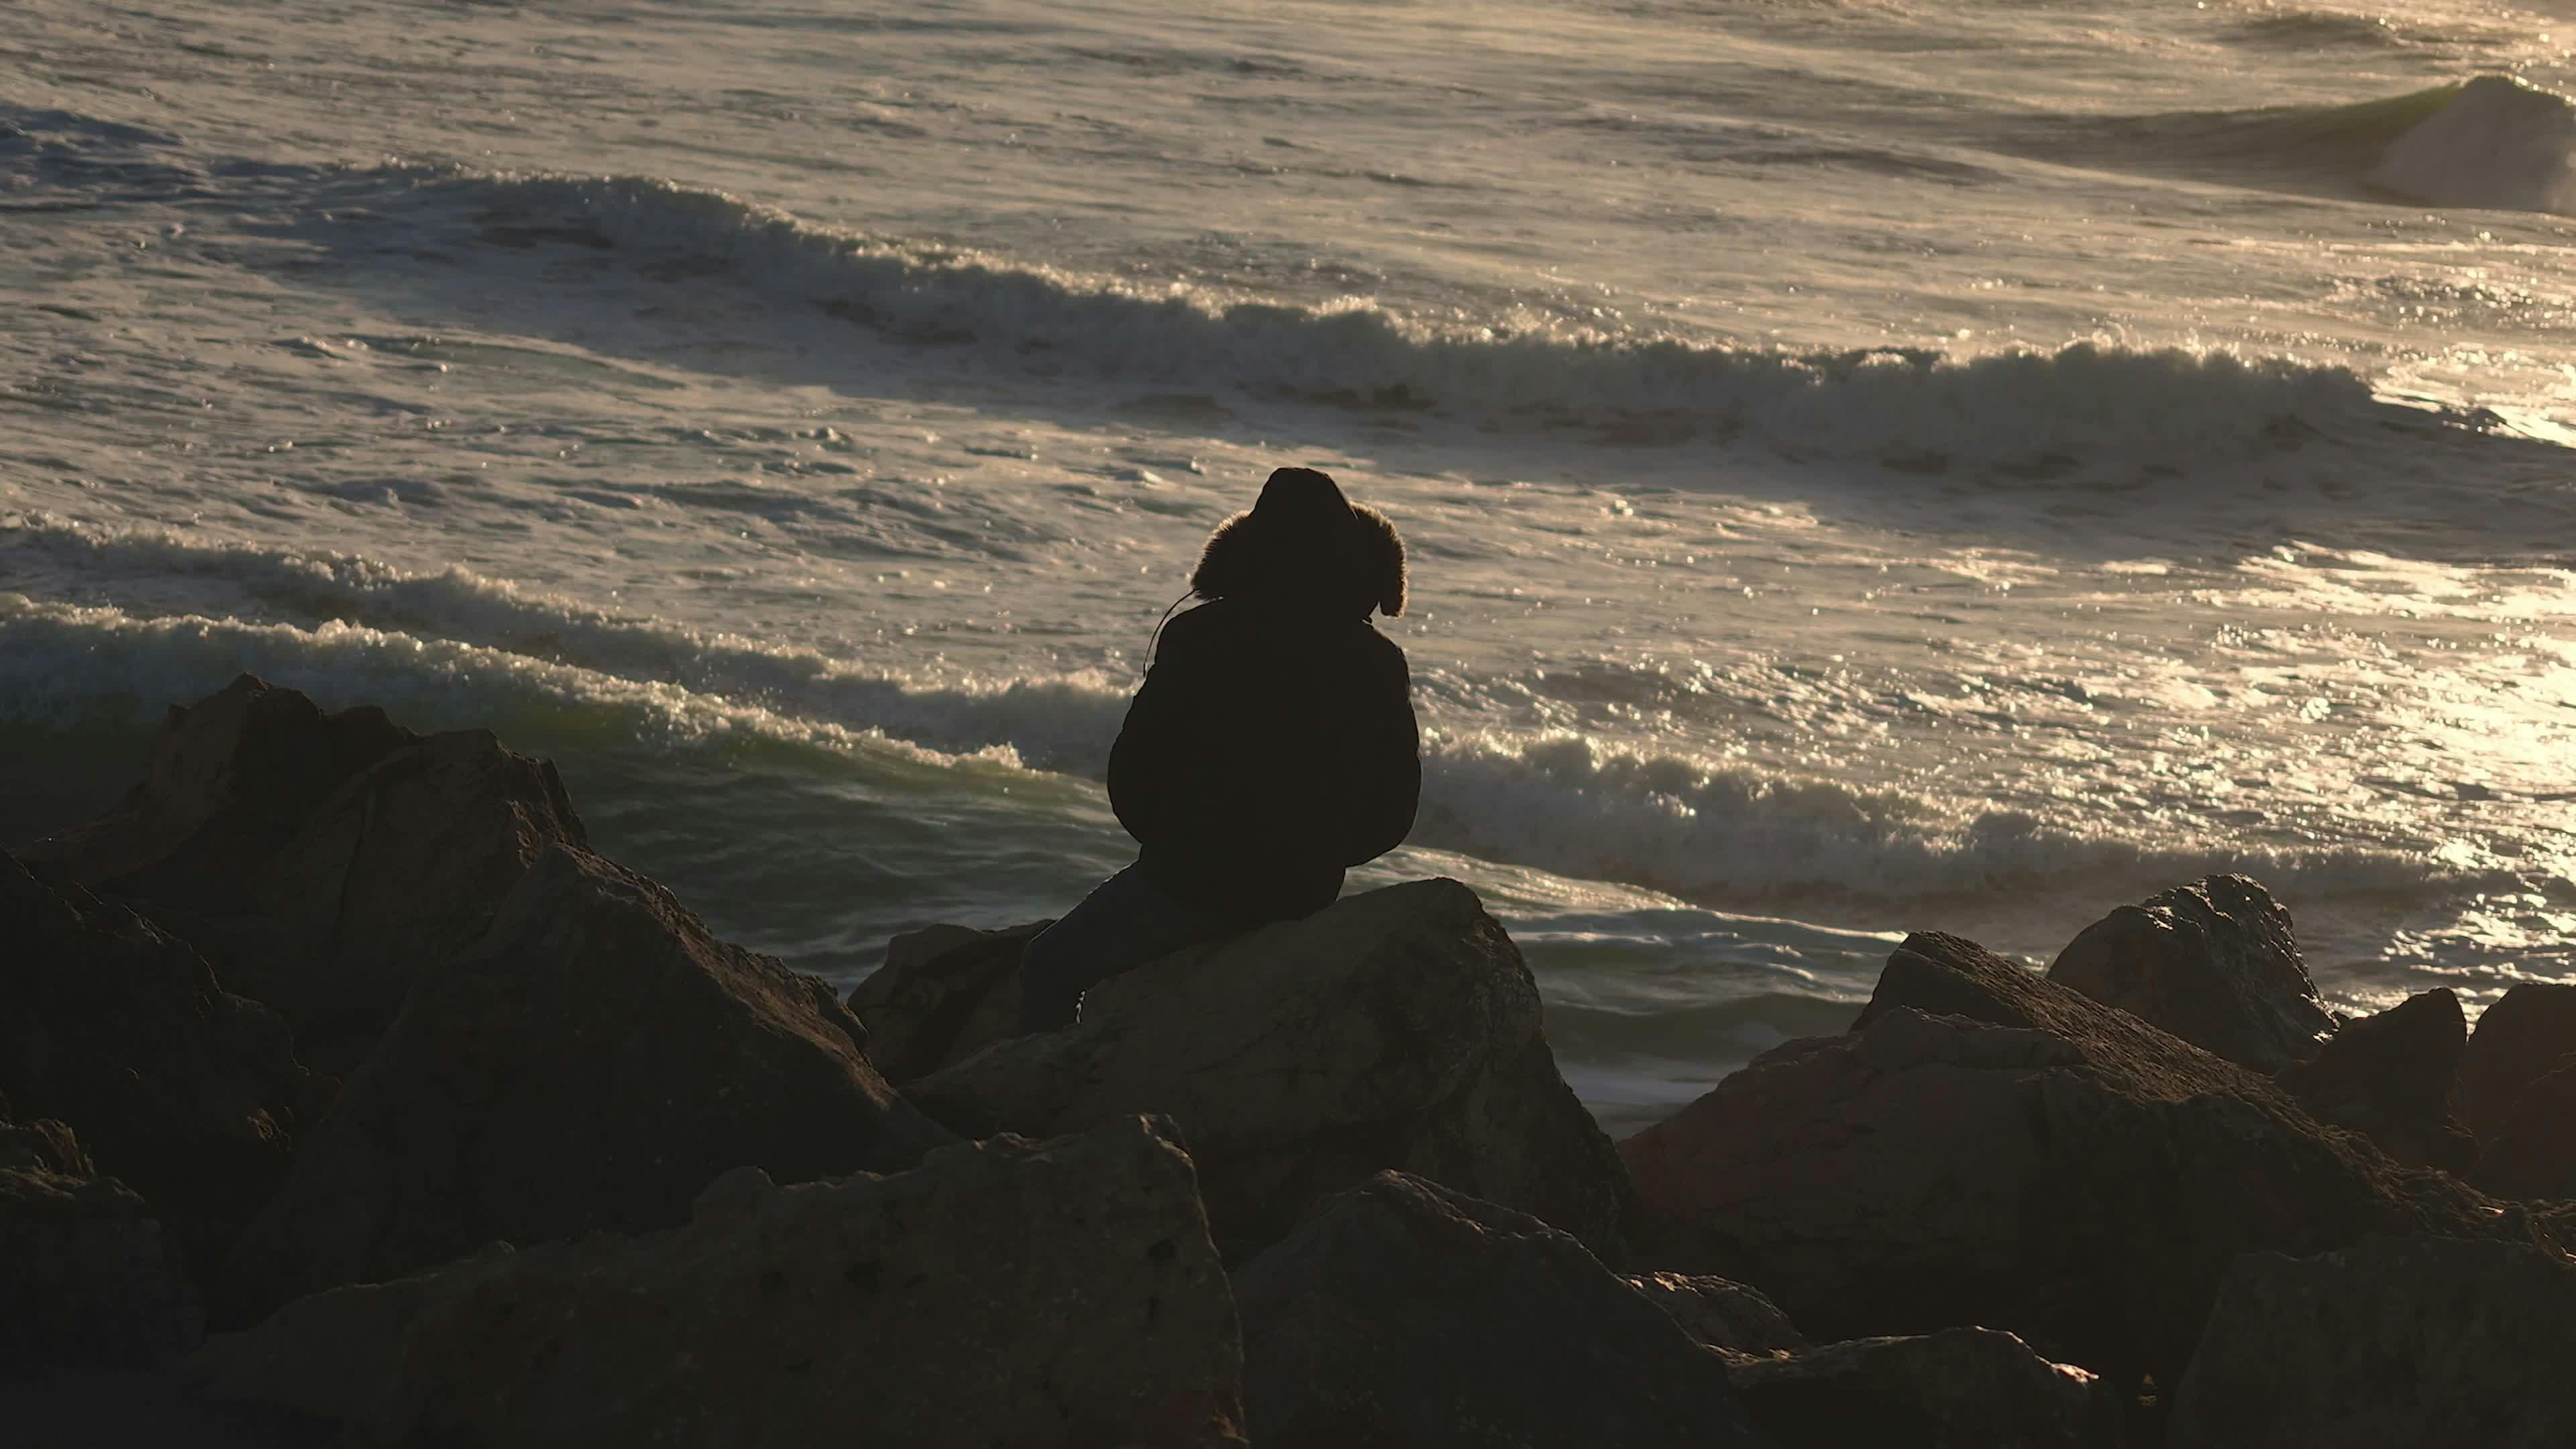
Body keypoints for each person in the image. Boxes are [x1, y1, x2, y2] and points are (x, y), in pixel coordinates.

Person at [1018, 466, 1421, 1032]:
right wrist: (1319, 855)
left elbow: (1134, 769)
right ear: (1353, 561)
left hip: (1189, 879)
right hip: (1303, 892)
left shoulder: (1198, 635)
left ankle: (1045, 1083)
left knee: (1047, 968)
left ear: (1250, 549)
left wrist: (1176, 844)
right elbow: (1395, 804)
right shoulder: (1377, 660)